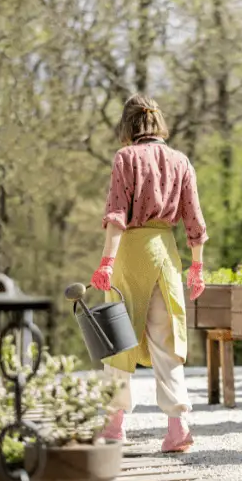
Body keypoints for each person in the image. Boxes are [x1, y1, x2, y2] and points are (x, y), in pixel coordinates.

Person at [90, 94, 207, 453]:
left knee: (118, 340)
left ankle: (114, 425)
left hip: (129, 254)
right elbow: (194, 220)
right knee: (167, 340)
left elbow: (116, 216)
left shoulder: (125, 158)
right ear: (158, 123)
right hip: (166, 255)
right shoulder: (181, 160)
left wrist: (106, 262)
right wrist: (197, 266)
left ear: (128, 125)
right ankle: (177, 426)